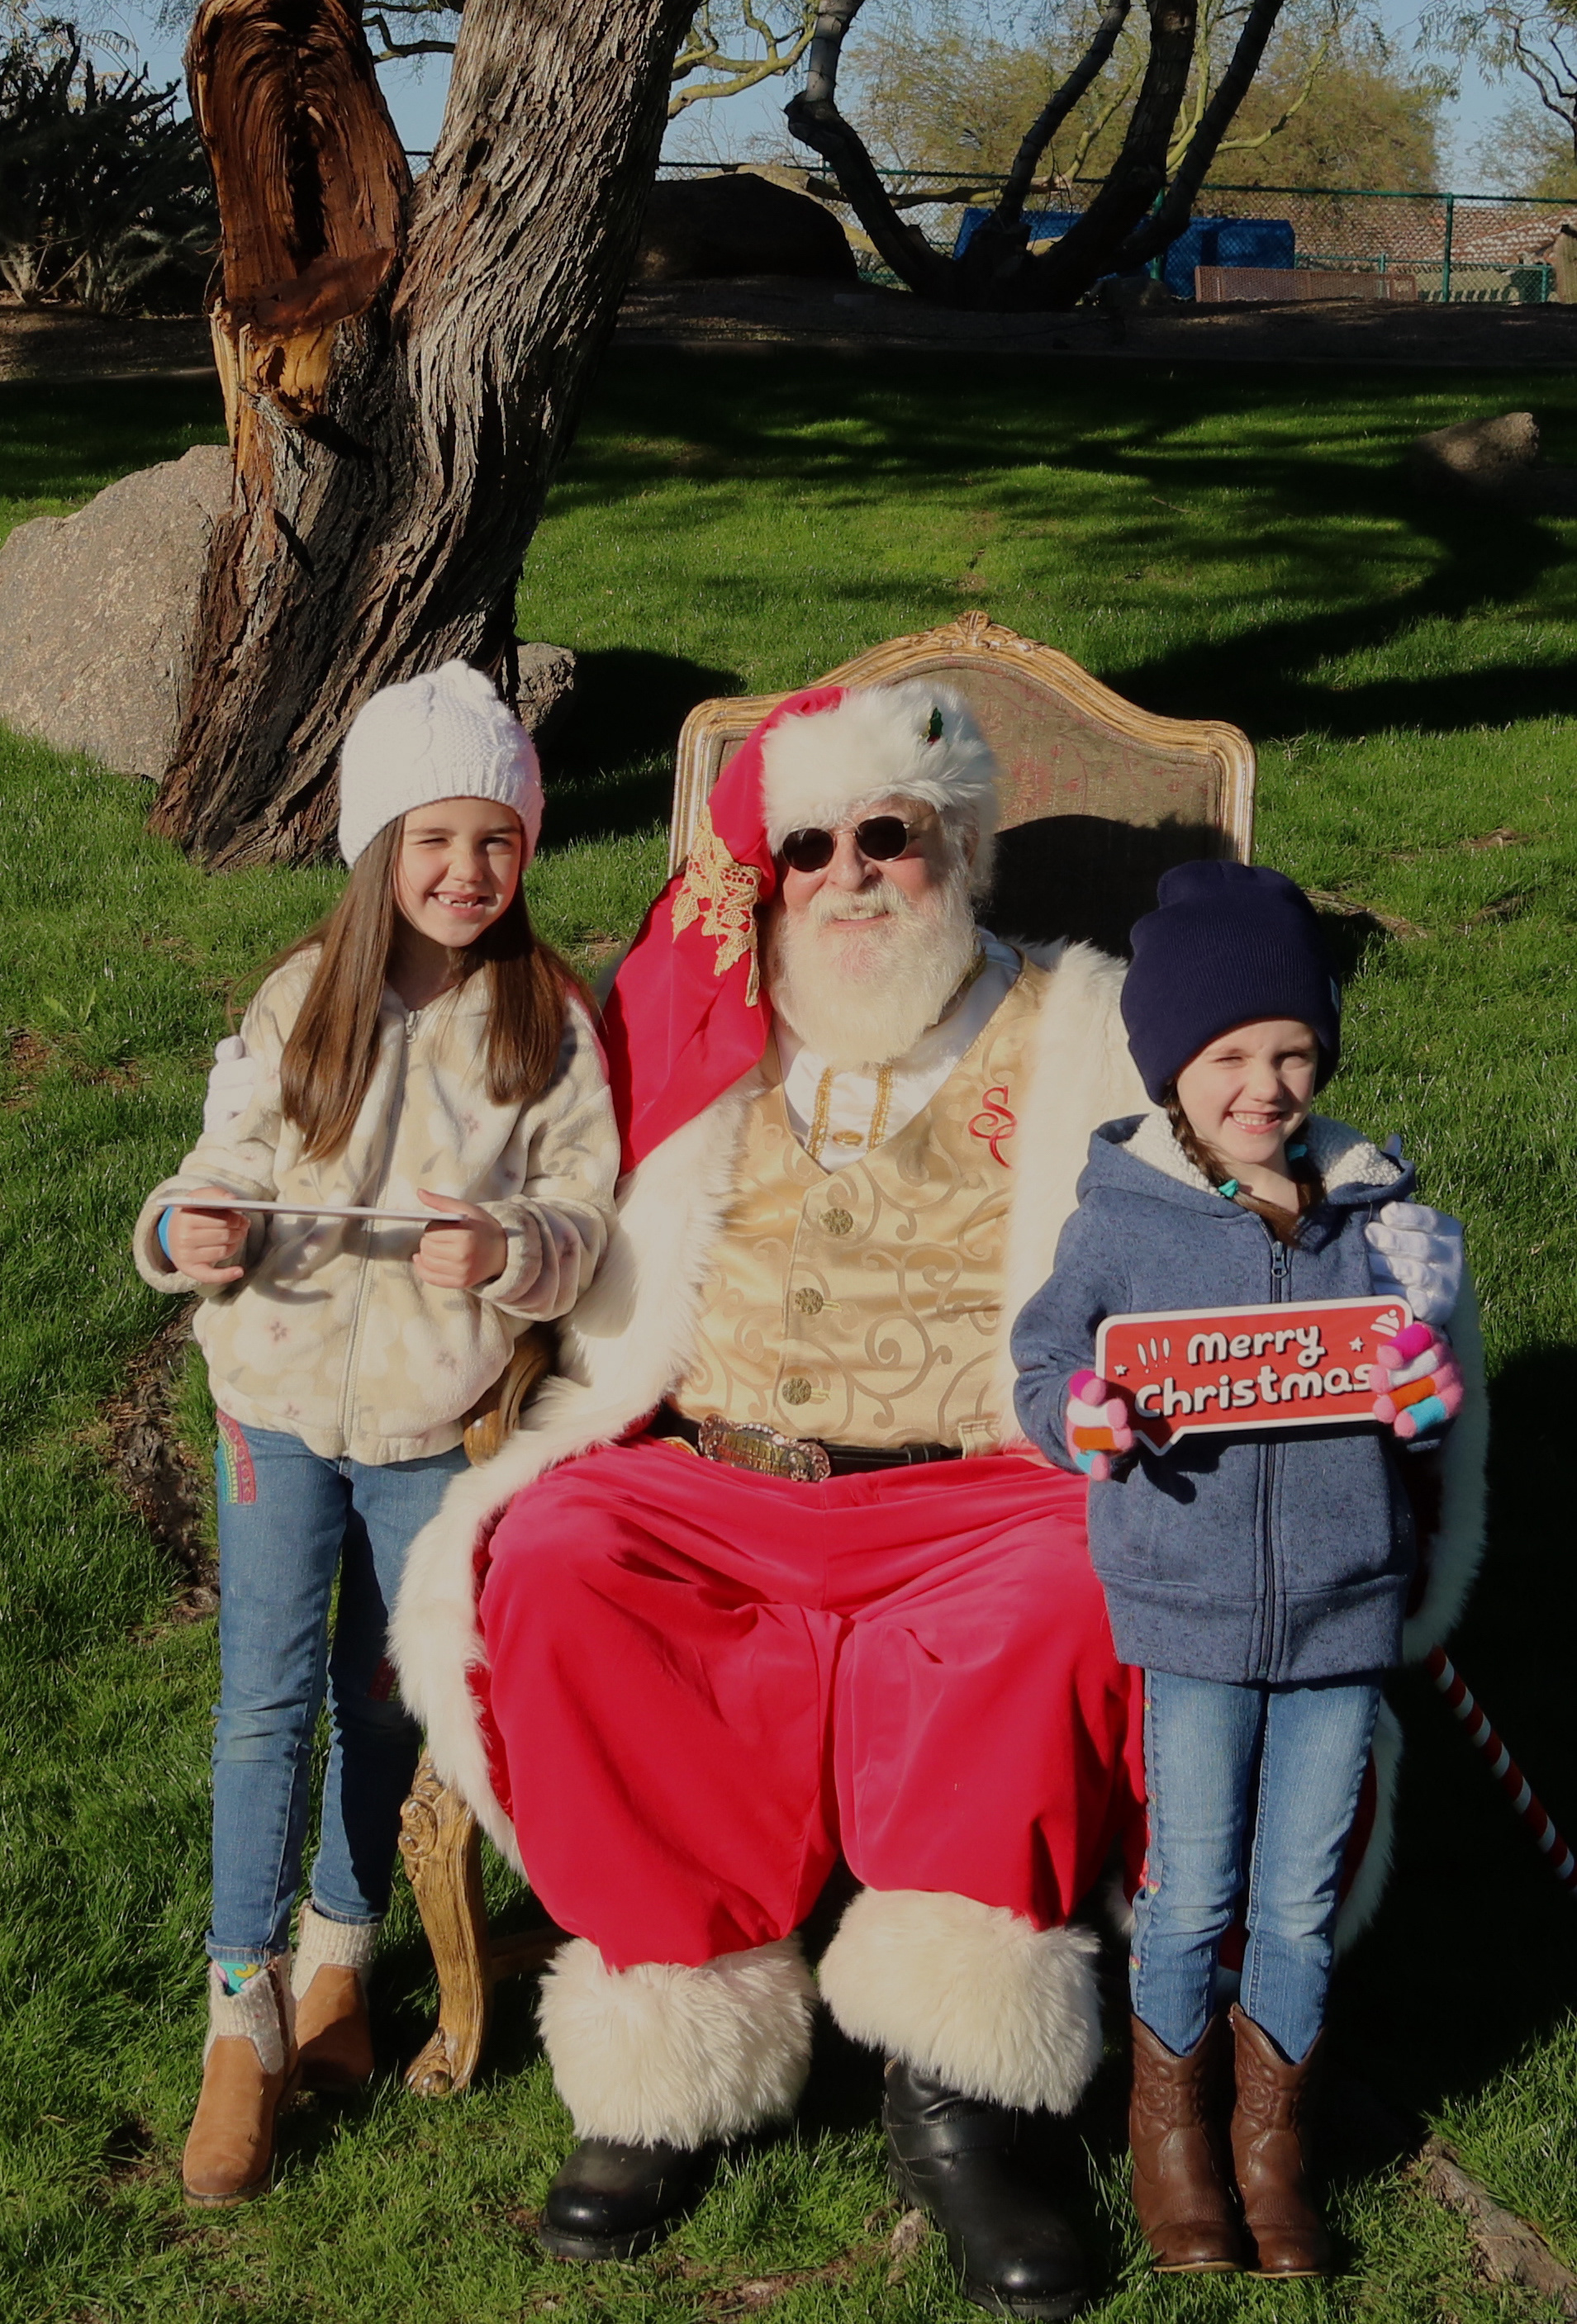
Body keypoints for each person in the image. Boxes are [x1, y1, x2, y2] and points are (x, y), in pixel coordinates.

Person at [378, 681, 1481, 2321]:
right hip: (716, 1474)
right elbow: (522, 1171)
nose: (845, 875)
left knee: (1073, 1588)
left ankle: (962, 2091)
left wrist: (1368, 1286)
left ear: (955, 848)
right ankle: (667, 2056)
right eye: (806, 846)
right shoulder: (694, 1028)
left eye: (884, 835)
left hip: (987, 1487)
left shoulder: (1083, 1024)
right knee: (556, 1560)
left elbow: (1254, 1155)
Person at [133, 662, 619, 2208]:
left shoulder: (548, 1023)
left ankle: (344, 1952)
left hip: (432, 1419)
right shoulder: (302, 998)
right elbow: (219, 1164)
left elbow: (586, 1211)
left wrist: (516, 1249)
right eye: (434, 841)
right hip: (273, 1402)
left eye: (496, 842)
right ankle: (242, 2011)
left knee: (387, 1694)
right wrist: (191, 1228)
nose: (467, 872)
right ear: (375, 848)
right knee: (265, 1701)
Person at [1011, 861, 1465, 2279]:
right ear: (1169, 1069)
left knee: (1296, 1900)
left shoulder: (1368, 1213)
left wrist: (1422, 1394)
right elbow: (1043, 1358)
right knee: (1192, 1885)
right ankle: (1172, 2144)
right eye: (1227, 1057)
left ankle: (1273, 2150)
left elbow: (1410, 1381)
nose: (1263, 1086)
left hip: (1341, 1606)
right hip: (1188, 1609)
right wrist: (1077, 1414)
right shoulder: (1121, 1216)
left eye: (1292, 1052)